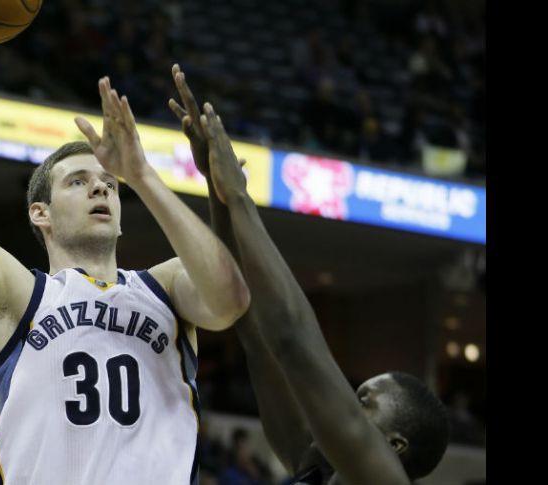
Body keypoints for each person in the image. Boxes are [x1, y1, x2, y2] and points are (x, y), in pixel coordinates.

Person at [0, 3, 250, 484]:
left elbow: (231, 299)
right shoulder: (16, 297)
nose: (101, 188)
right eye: (78, 182)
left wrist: (142, 176)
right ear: (39, 213)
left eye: (109, 182)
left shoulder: (166, 289)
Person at [168, 65, 449, 485]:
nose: (339, 406)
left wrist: (241, 197)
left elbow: (291, 340)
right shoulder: (314, 465)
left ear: (394, 447)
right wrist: (217, 186)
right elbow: (251, 328)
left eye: (362, 404)